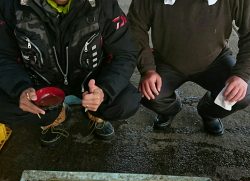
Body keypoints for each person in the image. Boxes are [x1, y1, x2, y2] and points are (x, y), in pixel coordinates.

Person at [0, 0, 141, 146]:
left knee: (126, 101)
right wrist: (20, 89)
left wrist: (104, 91)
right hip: (41, 89)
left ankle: (94, 111)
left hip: (90, 83)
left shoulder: (104, 3)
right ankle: (54, 116)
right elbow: (3, 55)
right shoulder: (10, 5)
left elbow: (124, 53)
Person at [128, 0, 250, 135]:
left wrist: (241, 74)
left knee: (243, 94)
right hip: (166, 60)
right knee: (148, 94)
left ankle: (208, 112)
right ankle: (170, 109)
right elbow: (135, 28)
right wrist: (148, 69)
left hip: (215, 59)